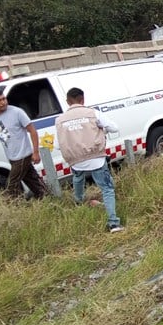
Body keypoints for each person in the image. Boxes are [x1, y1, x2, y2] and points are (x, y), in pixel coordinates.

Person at [55, 87, 123, 233]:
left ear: (67, 102)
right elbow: (114, 128)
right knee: (107, 189)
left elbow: (57, 145)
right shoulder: (93, 113)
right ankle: (113, 223)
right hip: (95, 157)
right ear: (82, 100)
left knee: (78, 178)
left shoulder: (59, 120)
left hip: (74, 160)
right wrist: (101, 129)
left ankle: (79, 202)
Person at [0, 88, 46, 198]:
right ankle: (47, 197)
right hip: (12, 156)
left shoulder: (17, 112)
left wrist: (35, 152)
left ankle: (14, 206)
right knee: (32, 180)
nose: (3, 102)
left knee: (12, 184)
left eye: (4, 99)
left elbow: (32, 131)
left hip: (24, 154)